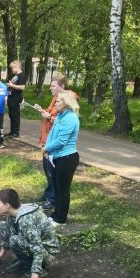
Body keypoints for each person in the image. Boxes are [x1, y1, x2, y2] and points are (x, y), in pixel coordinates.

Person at [0, 188, 59, 278]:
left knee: (15, 240)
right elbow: (10, 231)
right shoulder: (12, 213)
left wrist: (35, 277)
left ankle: (39, 270)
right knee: (1, 227)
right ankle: (24, 261)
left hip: (47, 253)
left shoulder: (25, 219)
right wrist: (0, 254)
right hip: (38, 247)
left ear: (7, 205)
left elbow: (37, 247)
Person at [33, 76, 76, 210]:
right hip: (48, 142)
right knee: (49, 172)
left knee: (54, 176)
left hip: (58, 150)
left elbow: (61, 134)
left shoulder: (68, 104)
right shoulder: (56, 100)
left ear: (62, 87)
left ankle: (53, 200)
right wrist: (43, 111)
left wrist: (49, 117)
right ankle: (49, 195)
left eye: (53, 85)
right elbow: (52, 115)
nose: (50, 88)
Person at [42, 90, 80, 227]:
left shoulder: (70, 118)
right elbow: (52, 135)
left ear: (66, 103)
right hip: (57, 157)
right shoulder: (60, 116)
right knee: (57, 187)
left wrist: (46, 149)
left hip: (67, 158)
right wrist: (48, 149)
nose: (55, 103)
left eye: (57, 101)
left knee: (63, 189)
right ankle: (55, 214)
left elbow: (61, 141)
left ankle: (61, 219)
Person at [6, 61, 27, 137]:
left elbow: (22, 87)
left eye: (12, 68)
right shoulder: (15, 76)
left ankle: (16, 132)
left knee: (15, 115)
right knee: (11, 115)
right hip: (11, 98)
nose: (11, 70)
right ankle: (12, 131)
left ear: (16, 67)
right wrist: (9, 86)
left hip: (16, 99)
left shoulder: (21, 75)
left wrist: (11, 85)